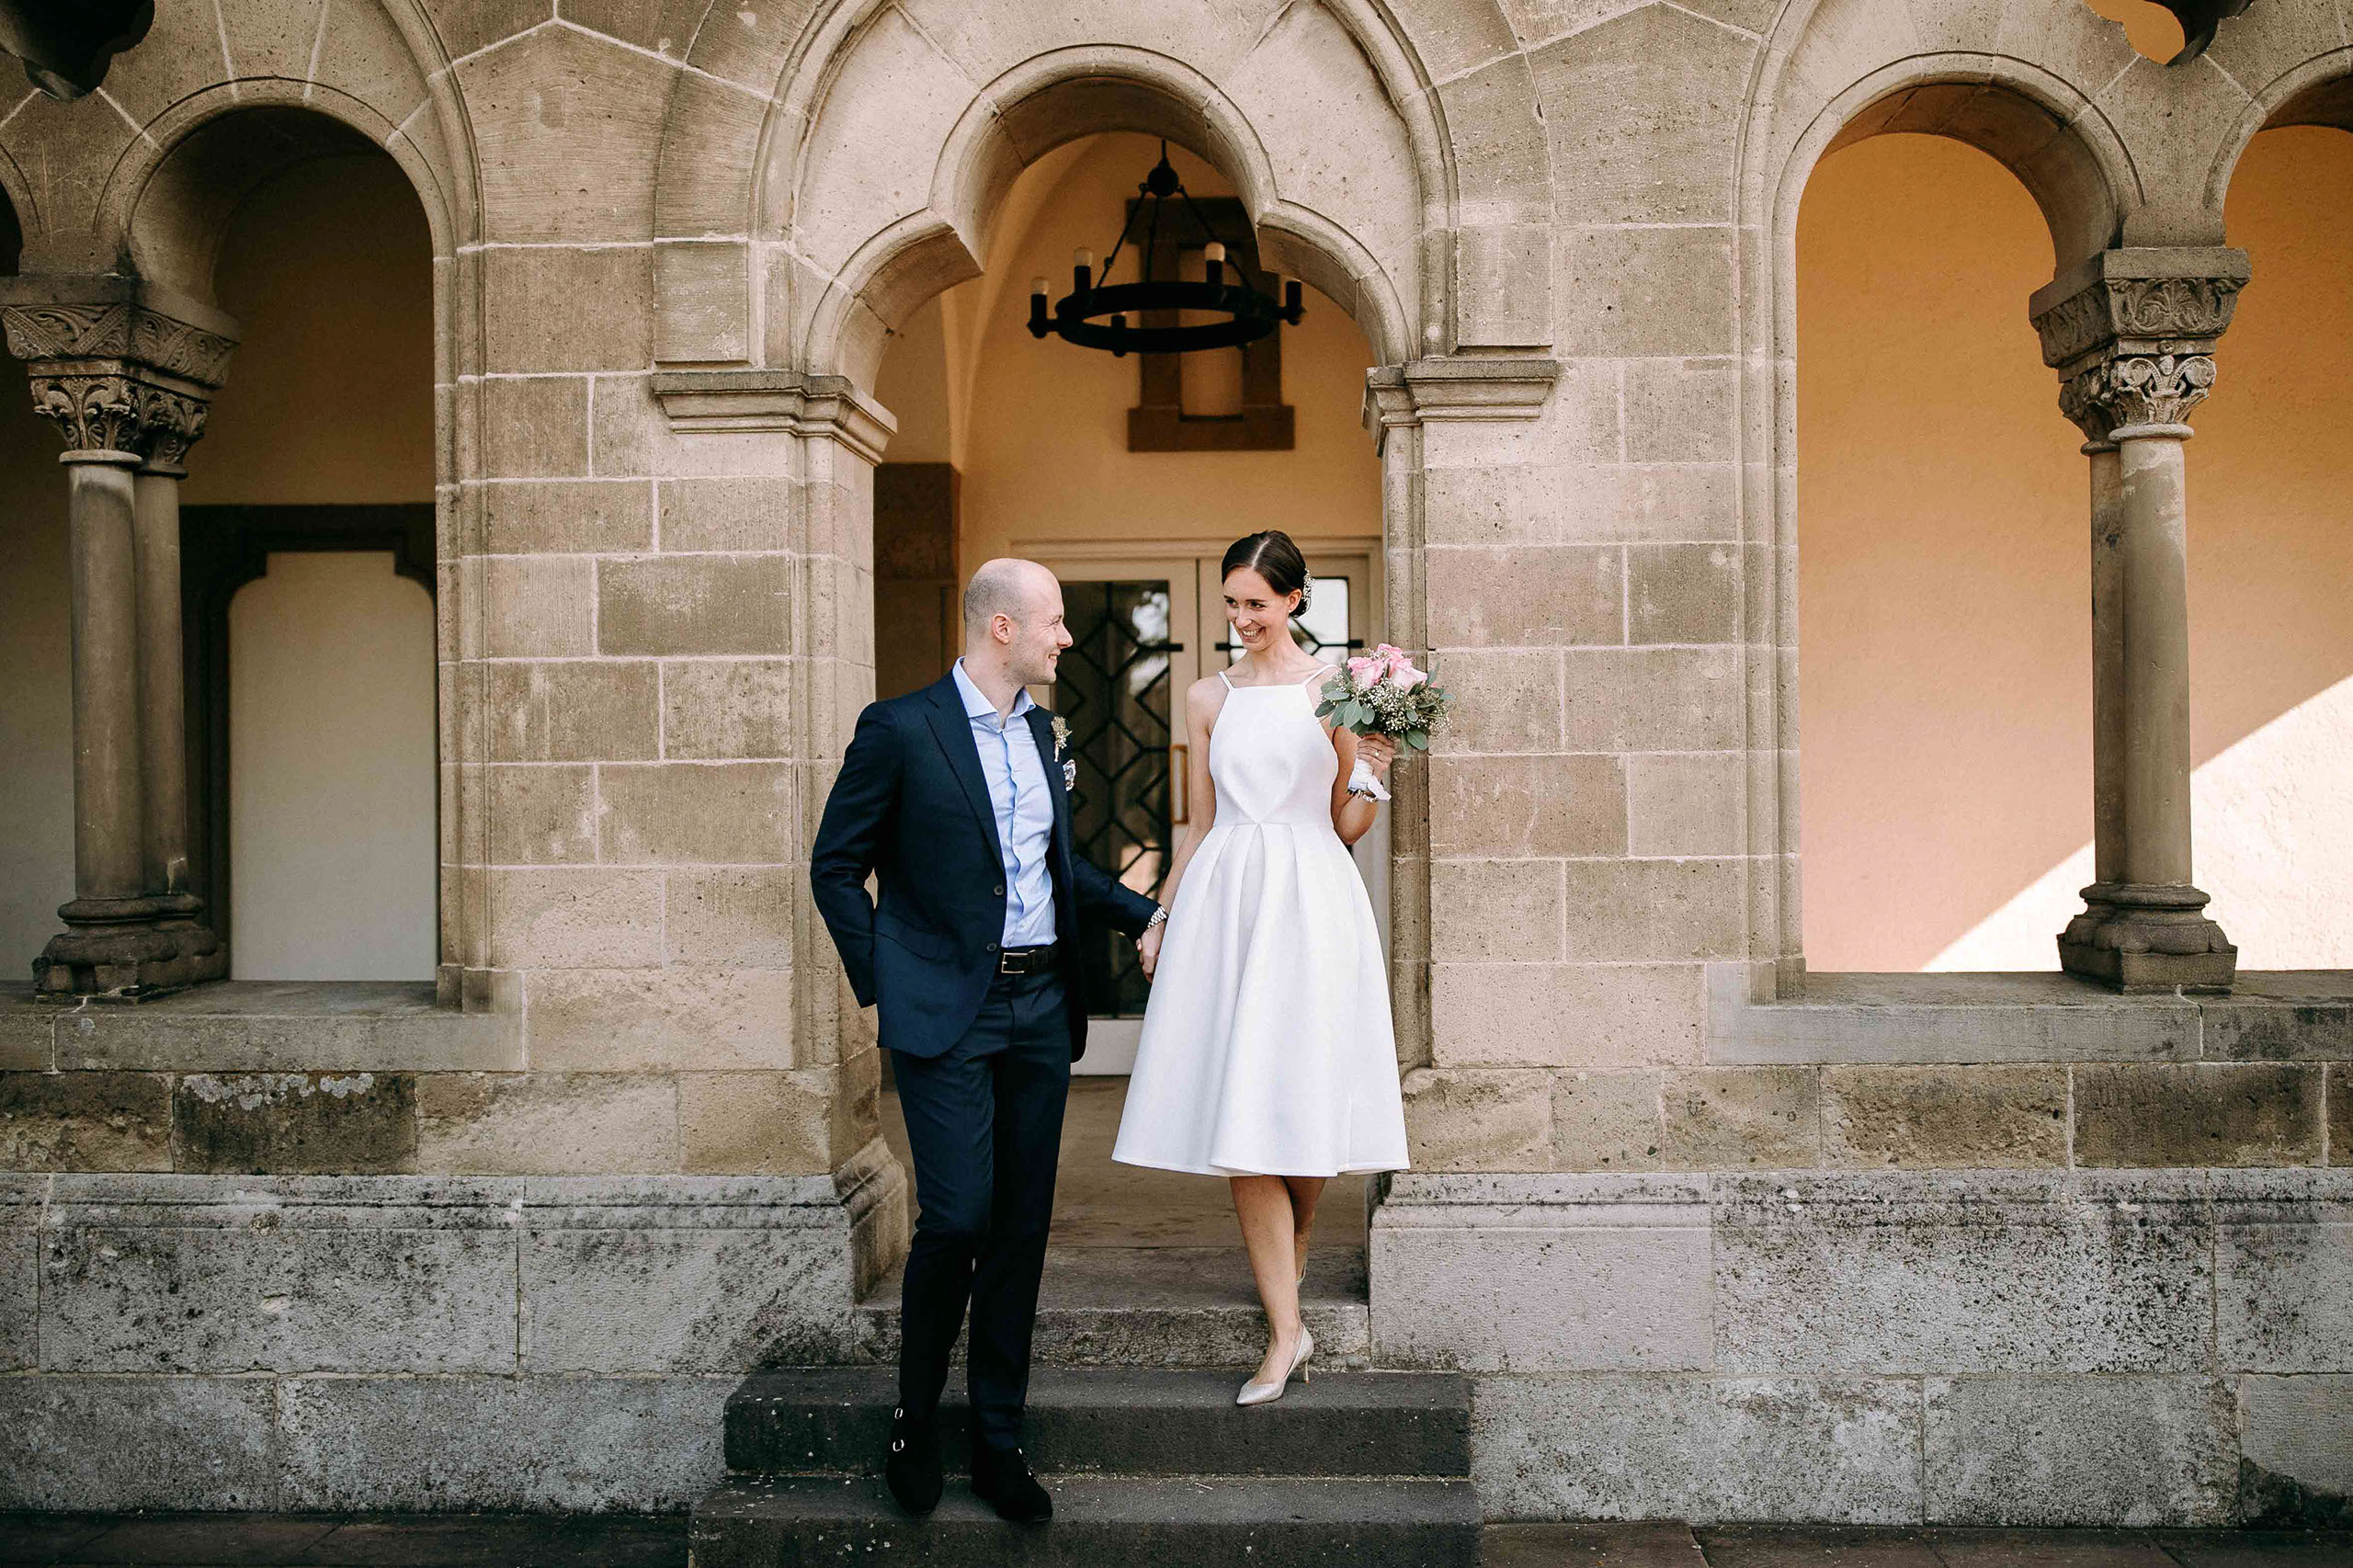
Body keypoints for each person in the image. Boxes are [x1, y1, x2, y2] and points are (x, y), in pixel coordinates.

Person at [810, 558, 1162, 1521]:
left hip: (1041, 1011)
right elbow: (834, 866)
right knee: (957, 1216)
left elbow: (1059, 867)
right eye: (1052, 622)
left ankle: (997, 1439)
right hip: (947, 1016)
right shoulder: (900, 728)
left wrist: (1142, 913)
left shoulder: (1045, 736)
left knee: (1018, 1227)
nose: (1066, 638)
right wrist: (890, 975)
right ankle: (913, 1420)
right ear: (1001, 626)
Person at [1110, 528, 1410, 1405]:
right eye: (1233, 602)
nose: (1241, 617)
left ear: (1294, 602)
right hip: (1228, 902)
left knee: (1304, 1101)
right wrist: (1162, 915)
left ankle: (1291, 1270)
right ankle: (1285, 1333)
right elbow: (1196, 824)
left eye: (1257, 603)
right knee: (1245, 1114)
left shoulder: (1338, 692)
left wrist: (1376, 772)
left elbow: (1347, 826)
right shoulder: (1207, 696)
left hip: (1315, 895)